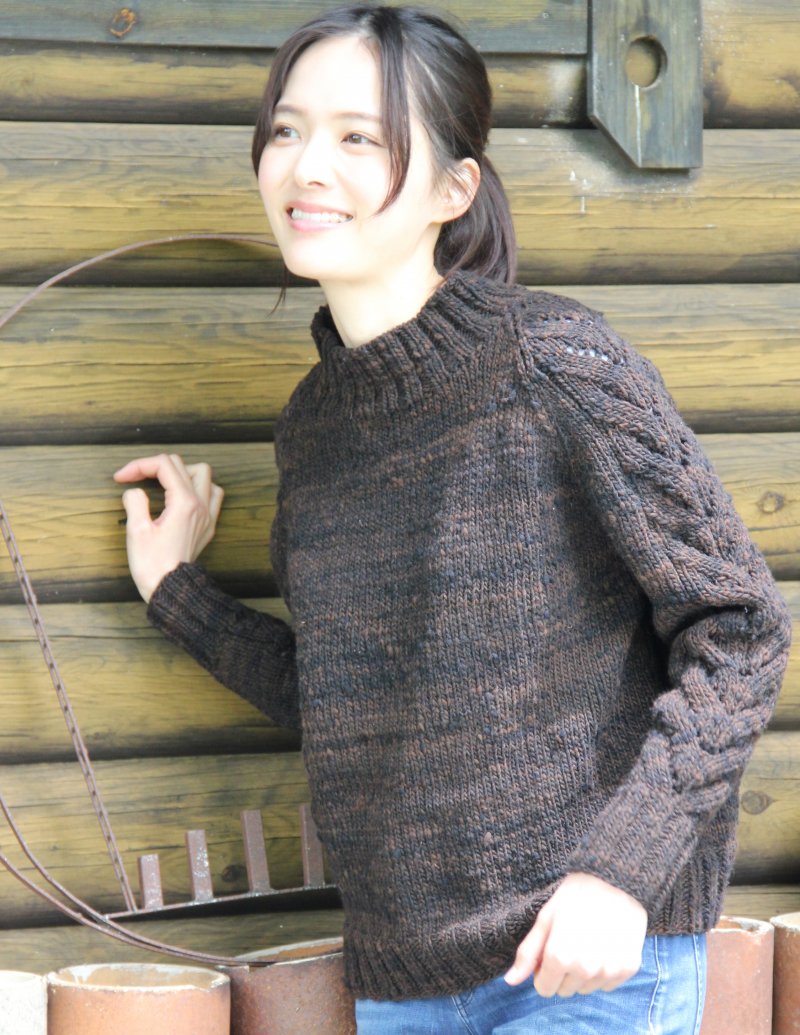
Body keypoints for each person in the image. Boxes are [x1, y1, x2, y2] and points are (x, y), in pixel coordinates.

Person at [113, 6, 793, 1032]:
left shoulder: (556, 365)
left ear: (452, 189)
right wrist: (179, 594)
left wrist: (622, 871)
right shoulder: (314, 430)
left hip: (589, 964)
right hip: (405, 983)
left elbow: (739, 629)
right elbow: (351, 699)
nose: (306, 165)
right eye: (287, 129)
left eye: (359, 137)